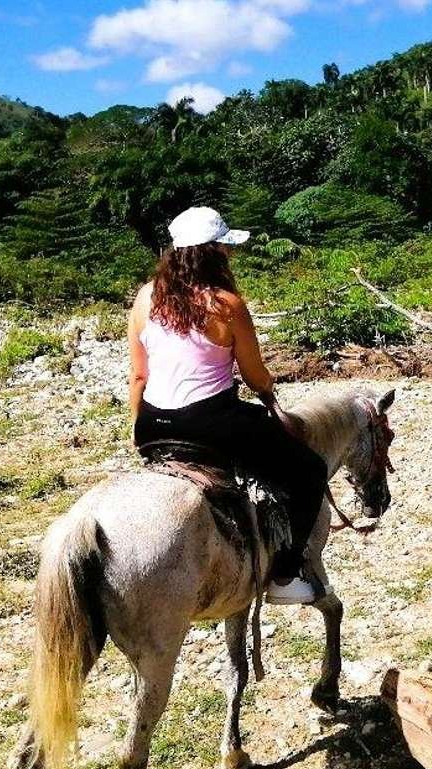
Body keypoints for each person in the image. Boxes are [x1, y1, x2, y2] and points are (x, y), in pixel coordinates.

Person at [128, 206, 327, 605]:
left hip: (153, 422)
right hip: (211, 422)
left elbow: (139, 376)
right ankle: (285, 577)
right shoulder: (226, 305)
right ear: (213, 252)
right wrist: (269, 393)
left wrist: (140, 430)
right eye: (225, 247)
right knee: (310, 471)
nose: (231, 254)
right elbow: (255, 376)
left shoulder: (146, 297)